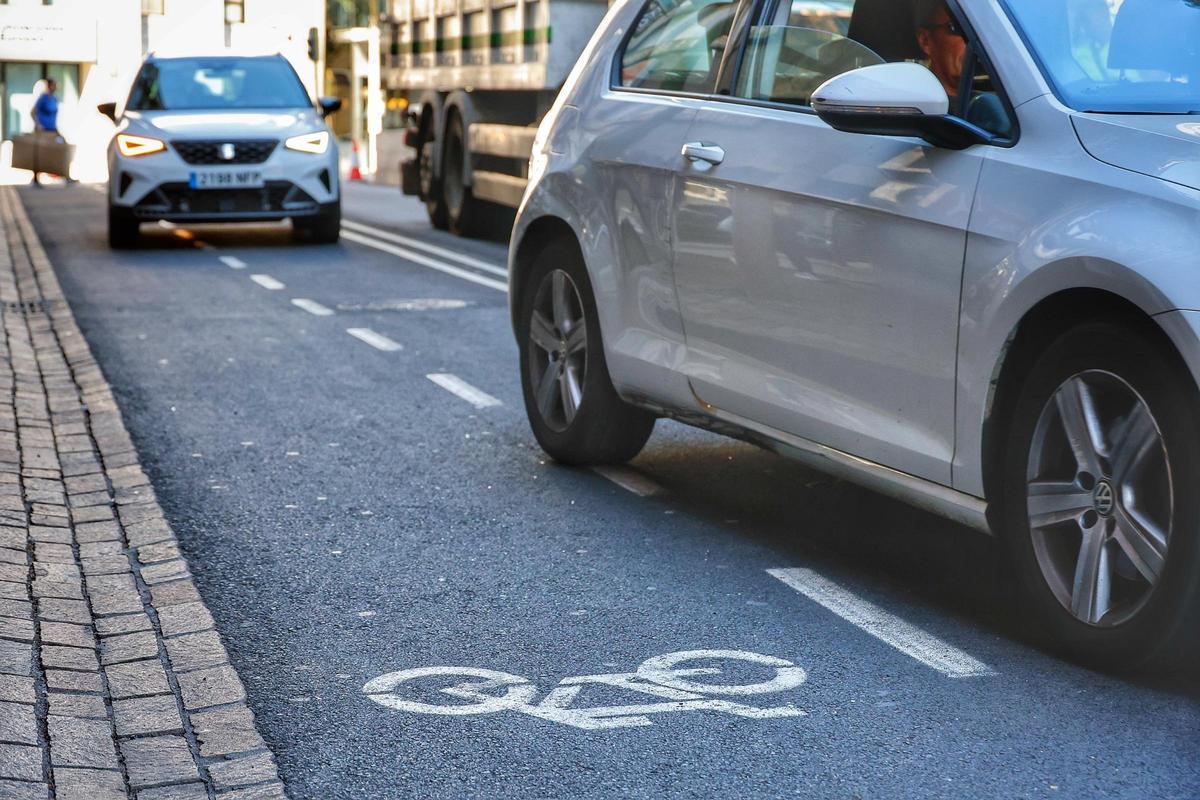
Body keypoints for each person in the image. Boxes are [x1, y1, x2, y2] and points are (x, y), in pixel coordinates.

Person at [914, 0, 967, 98]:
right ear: (926, 41)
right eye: (957, 28)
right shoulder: (915, 104)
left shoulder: (997, 99)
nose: (970, 38)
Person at [30, 78, 70, 186]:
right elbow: (33, 112)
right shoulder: (43, 98)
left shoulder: (55, 99)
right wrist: (38, 124)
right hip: (43, 130)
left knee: (62, 147)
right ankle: (35, 178)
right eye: (54, 85)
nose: (56, 87)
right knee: (40, 153)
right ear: (49, 86)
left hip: (53, 129)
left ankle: (65, 175)